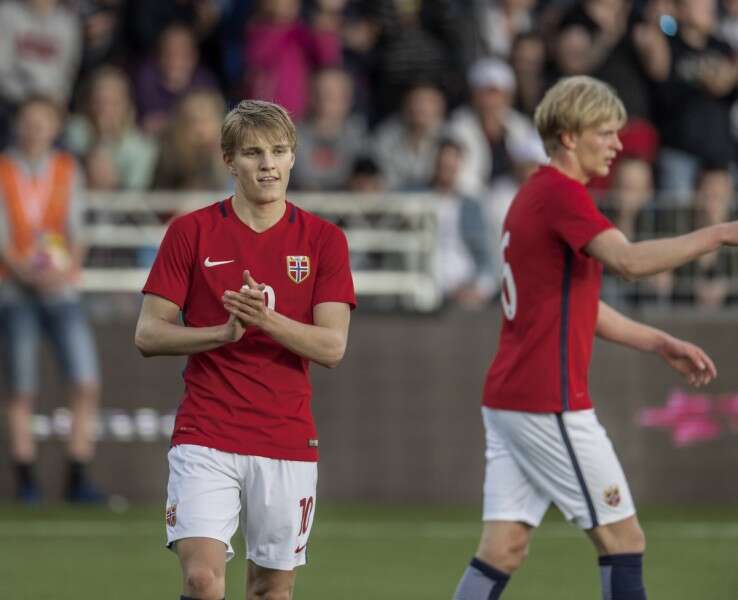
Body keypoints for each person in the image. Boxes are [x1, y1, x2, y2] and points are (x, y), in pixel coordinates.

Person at [451, 75, 738, 600]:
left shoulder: (536, 193)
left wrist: (659, 342)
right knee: (623, 539)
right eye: (604, 132)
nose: (617, 145)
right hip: (547, 401)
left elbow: (576, 305)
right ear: (568, 136)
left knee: (502, 550)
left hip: (512, 397)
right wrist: (719, 233)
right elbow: (628, 261)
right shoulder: (561, 195)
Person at [134, 99, 355, 600]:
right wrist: (221, 333)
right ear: (229, 160)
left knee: (271, 589)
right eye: (253, 153)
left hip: (285, 437)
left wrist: (265, 320)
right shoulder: (190, 232)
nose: (268, 164)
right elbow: (148, 334)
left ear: (293, 157)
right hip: (206, 431)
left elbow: (332, 346)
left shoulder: (324, 240)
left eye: (278, 151)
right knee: (201, 579)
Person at [0, 96, 102, 504]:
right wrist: (26, 272)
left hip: (61, 289)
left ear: (55, 127)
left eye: (43, 122)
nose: (35, 129)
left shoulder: (66, 168)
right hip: (14, 289)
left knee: (85, 380)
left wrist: (66, 269)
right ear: (18, 125)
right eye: (29, 121)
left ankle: (77, 474)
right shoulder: (3, 168)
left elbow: (78, 228)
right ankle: (26, 478)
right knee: (22, 386)